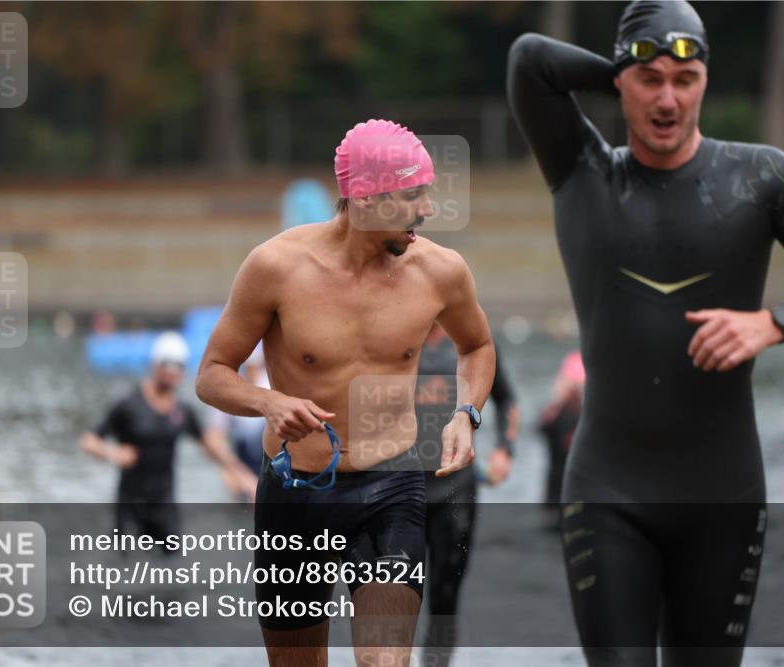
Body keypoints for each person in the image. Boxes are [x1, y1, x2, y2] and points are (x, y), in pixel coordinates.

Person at [506, 1, 784, 665]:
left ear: (707, 79)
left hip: (722, 496)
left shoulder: (764, 178)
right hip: (607, 493)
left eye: (688, 78)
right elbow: (529, 59)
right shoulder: (580, 170)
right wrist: (624, 65)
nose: (669, 99)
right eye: (650, 80)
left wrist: (775, 323)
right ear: (622, 81)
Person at [195, 118, 495, 667]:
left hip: (395, 487)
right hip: (298, 493)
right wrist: (269, 402)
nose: (426, 209)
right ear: (364, 197)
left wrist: (465, 414)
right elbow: (212, 372)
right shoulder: (276, 267)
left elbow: (476, 346)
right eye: (412, 195)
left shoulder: (440, 271)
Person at [80, 332, 257, 552]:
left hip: (165, 503)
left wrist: (244, 475)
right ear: (155, 364)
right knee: (127, 571)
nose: (173, 371)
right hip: (131, 503)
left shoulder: (181, 411)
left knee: (171, 571)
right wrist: (113, 453)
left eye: (179, 365)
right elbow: (89, 441)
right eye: (167, 364)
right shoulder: (128, 406)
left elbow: (209, 445)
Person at [414, 321, 519, 667]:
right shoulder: (393, 339)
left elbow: (507, 400)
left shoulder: (469, 344)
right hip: (400, 490)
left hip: (455, 489)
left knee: (445, 596)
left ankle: (436, 663)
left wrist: (504, 450)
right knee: (391, 597)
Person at [206, 342, 270, 502]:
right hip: (243, 470)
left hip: (274, 470)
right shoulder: (229, 389)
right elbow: (213, 439)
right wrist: (235, 472)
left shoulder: (275, 386)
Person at [538, 351, 585, 508]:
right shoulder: (555, 415)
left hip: (580, 495)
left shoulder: (588, 415)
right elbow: (542, 427)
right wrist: (555, 404)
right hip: (555, 492)